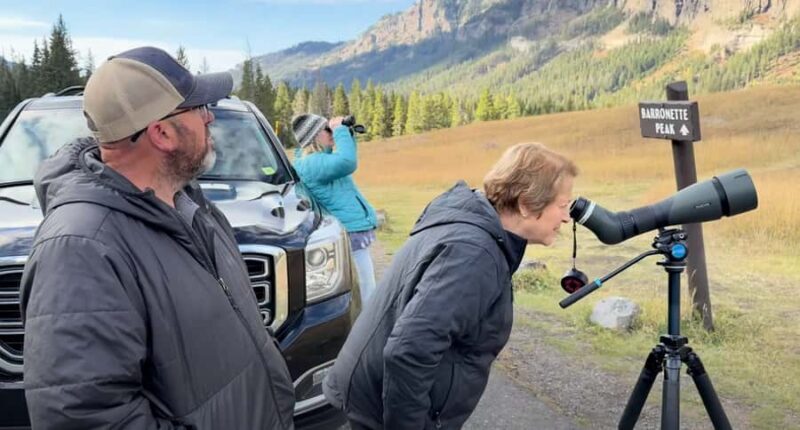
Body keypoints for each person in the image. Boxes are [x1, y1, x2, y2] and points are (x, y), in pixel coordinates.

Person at [19, 46, 295, 429]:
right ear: (162, 133)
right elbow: (87, 417)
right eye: (199, 109)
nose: (210, 117)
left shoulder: (189, 205)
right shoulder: (80, 247)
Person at [323, 142, 578, 430]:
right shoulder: (474, 253)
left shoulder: (474, 229)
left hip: (374, 398)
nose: (567, 217)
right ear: (526, 203)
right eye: (561, 205)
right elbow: (409, 351)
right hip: (377, 410)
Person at [291, 113, 378, 303]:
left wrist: (345, 132)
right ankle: (370, 326)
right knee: (365, 286)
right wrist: (340, 131)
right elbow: (348, 162)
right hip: (348, 231)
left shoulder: (318, 160)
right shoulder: (311, 163)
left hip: (350, 229)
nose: (331, 132)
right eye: (326, 129)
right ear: (314, 136)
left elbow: (344, 158)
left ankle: (367, 322)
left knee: (364, 284)